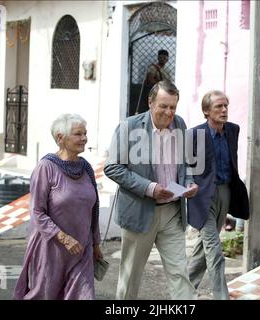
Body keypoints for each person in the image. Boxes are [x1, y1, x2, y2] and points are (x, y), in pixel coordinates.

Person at [104, 80, 198, 300]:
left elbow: (185, 163)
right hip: (140, 212)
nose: (168, 112)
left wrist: (189, 183)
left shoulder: (180, 124)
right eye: (163, 106)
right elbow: (112, 167)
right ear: (150, 102)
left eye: (173, 107)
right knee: (130, 278)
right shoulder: (129, 127)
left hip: (173, 212)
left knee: (180, 274)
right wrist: (150, 188)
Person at [13, 113, 103, 300]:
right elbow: (37, 211)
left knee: (84, 296)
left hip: (81, 249)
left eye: (85, 133)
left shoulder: (85, 167)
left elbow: (94, 208)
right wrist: (64, 238)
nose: (84, 138)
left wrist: (95, 243)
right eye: (78, 134)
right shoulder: (46, 167)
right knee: (44, 295)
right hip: (51, 249)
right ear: (60, 138)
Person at [187, 90, 249, 300]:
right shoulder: (194, 134)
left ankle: (184, 292)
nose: (224, 110)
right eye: (218, 107)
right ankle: (221, 296)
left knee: (202, 250)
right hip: (202, 196)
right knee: (214, 250)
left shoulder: (233, 130)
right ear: (206, 111)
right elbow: (184, 165)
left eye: (226, 106)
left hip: (225, 192)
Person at [135, 50, 171, 115]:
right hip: (155, 92)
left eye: (164, 58)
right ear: (158, 58)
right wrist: (160, 84)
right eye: (161, 57)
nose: (162, 59)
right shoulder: (153, 68)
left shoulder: (167, 70)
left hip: (165, 93)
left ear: (167, 59)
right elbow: (150, 79)